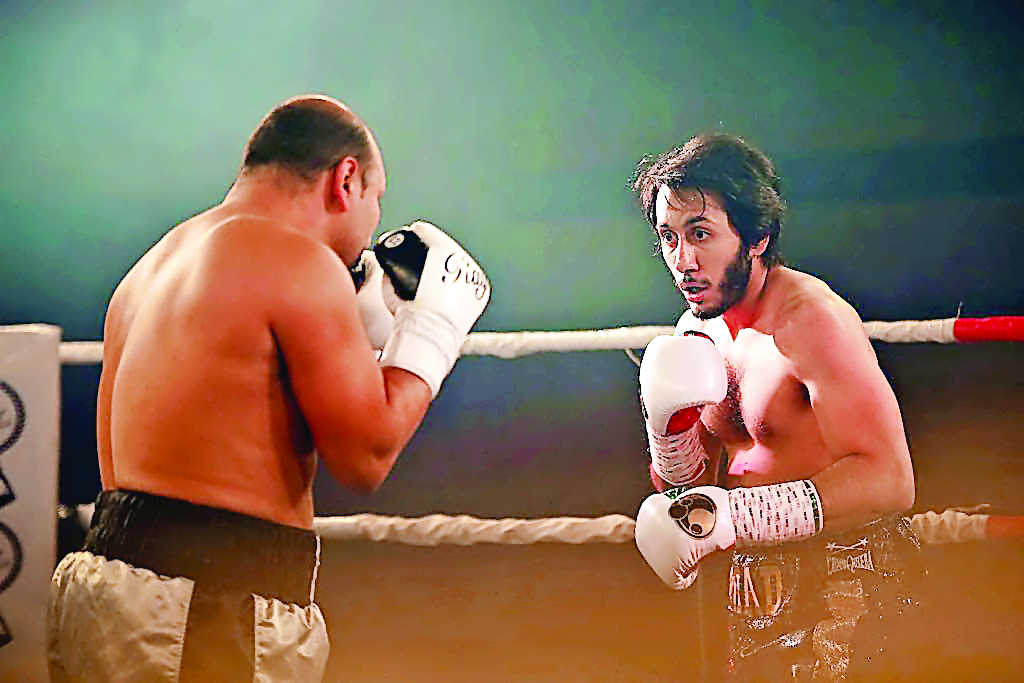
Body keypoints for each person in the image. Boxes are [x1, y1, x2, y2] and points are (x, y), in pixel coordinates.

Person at [46, 94, 491, 682]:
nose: (373, 228)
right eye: (377, 201)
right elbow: (366, 455)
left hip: (109, 584)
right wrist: (430, 332)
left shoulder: (153, 266)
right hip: (207, 606)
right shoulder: (299, 261)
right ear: (346, 180)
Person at [629, 133, 923, 681]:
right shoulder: (695, 330)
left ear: (757, 238)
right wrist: (668, 439)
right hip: (748, 580)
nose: (682, 260)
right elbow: (690, 489)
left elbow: (891, 480)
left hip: (847, 576)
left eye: (701, 235)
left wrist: (734, 517)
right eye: (668, 238)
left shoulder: (810, 323)